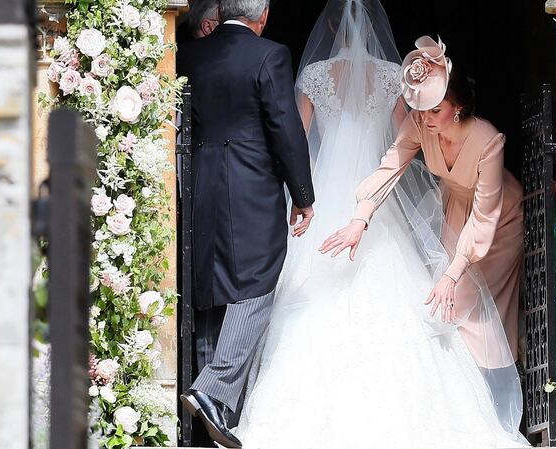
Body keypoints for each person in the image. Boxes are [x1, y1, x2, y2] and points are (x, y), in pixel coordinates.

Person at [235, 1, 529, 448]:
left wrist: (451, 272)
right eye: (422, 111)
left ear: (459, 104)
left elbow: (483, 218)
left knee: (470, 304)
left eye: (433, 111)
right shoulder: (418, 124)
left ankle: (490, 392)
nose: (425, 119)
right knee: (440, 303)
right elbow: (390, 164)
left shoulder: (488, 141)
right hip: (448, 206)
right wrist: (359, 219)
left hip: (494, 218)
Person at [176, 0, 316, 446]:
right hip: (252, 183)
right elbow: (284, 126)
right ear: (264, 15)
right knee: (260, 276)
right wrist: (303, 195)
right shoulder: (269, 55)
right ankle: (212, 391)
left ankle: (211, 415)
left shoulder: (188, 54)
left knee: (212, 282)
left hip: (201, 182)